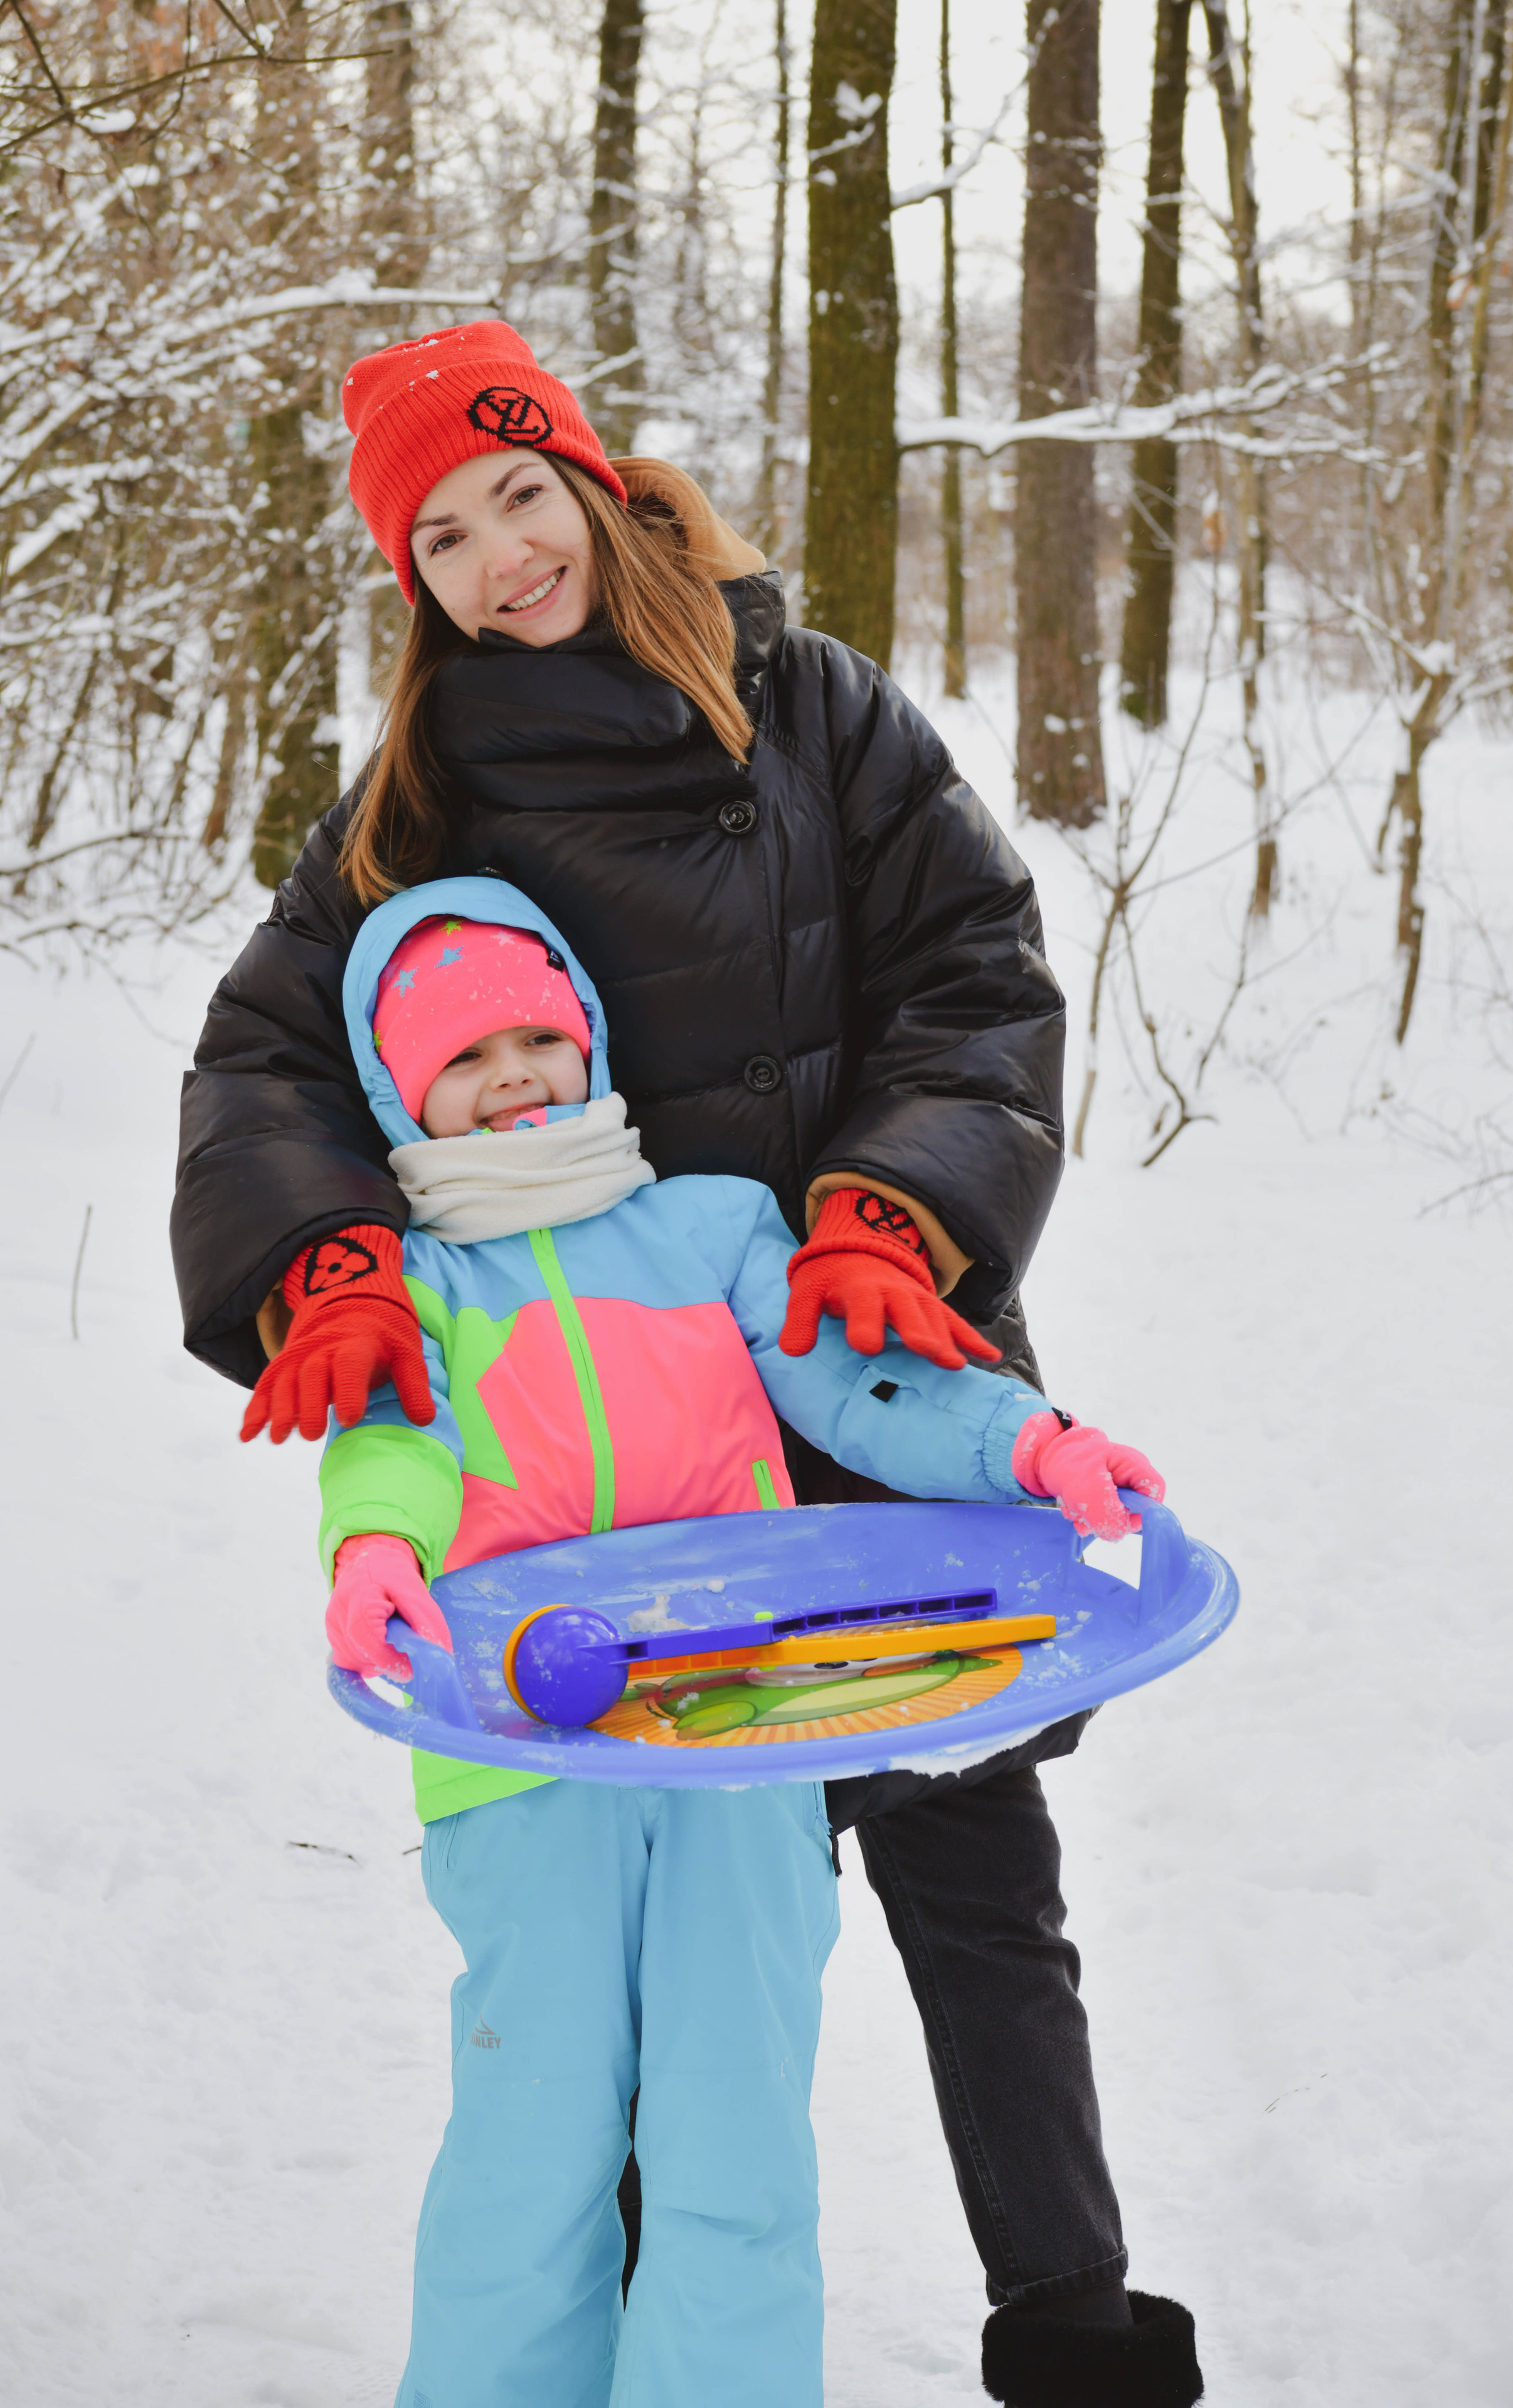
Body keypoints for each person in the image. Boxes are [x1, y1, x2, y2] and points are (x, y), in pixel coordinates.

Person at [171, 319, 1206, 2407]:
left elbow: (976, 972)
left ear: (592, 479)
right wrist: (337, 1264)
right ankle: (652, 2350)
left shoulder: (811, 708)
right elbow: (275, 1051)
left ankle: (1075, 2336)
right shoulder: (423, 790)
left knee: (976, 1870)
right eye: (440, 539)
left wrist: (892, 1207)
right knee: (677, 1942)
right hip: (621, 1448)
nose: (494, 560)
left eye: (514, 496)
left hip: (867, 1344)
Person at [312, 871, 1160, 2408]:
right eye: (460, 1058)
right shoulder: (417, 1282)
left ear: (586, 1039)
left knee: (732, 2135)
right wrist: (374, 1543)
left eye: (534, 1039)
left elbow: (863, 1383)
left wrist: (1033, 1448)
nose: (510, 1078)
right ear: (398, 1090)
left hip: (748, 1740)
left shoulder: (708, 1231)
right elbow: (392, 1437)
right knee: (537, 2135)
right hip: (518, 1765)